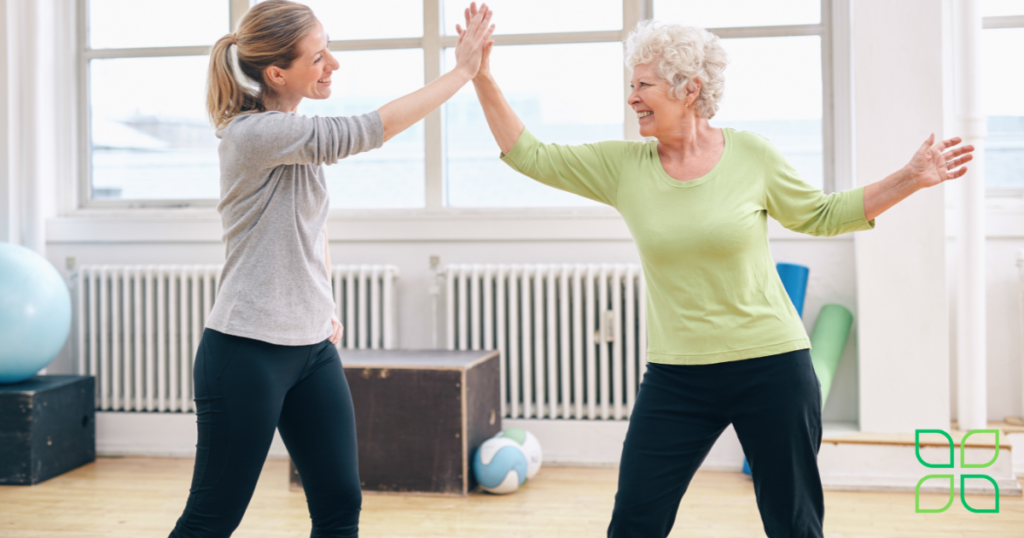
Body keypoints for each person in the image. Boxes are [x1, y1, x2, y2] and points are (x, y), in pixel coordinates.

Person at [461, 10, 973, 538]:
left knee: (793, 523)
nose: (632, 96)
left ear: (690, 89)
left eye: (643, 85)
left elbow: (820, 214)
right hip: (677, 375)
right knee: (635, 520)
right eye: (630, 85)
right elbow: (532, 156)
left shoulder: (751, 154)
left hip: (772, 364)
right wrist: (481, 75)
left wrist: (911, 178)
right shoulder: (623, 168)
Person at [169, 2, 494, 537]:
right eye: (318, 57)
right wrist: (462, 71)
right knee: (213, 517)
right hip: (246, 351)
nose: (333, 65)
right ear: (277, 73)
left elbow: (308, 225)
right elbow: (370, 129)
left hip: (311, 349)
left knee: (340, 502)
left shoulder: (289, 133)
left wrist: (324, 303)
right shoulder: (254, 134)